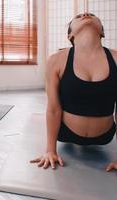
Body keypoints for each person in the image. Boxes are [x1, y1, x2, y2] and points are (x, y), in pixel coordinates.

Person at [30, 13, 117, 172]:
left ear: (102, 32)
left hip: (105, 136)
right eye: (78, 16)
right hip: (65, 133)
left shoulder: (116, 58)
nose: (85, 14)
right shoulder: (56, 60)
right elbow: (53, 108)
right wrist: (50, 150)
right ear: (70, 35)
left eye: (92, 15)